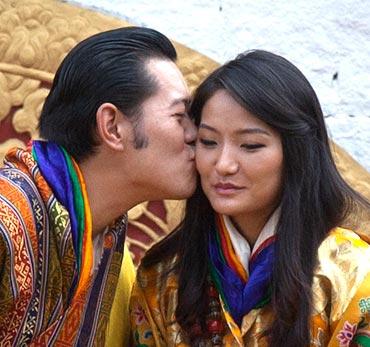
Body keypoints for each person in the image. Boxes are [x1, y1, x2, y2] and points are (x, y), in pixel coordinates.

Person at [130, 50, 370, 346]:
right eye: (208, 142)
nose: (223, 164)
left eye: (251, 145)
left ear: (296, 153)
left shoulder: (356, 275)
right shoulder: (161, 277)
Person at [0, 26, 197, 346]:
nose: (195, 135)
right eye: (180, 117)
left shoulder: (115, 262)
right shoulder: (6, 220)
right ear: (112, 126)